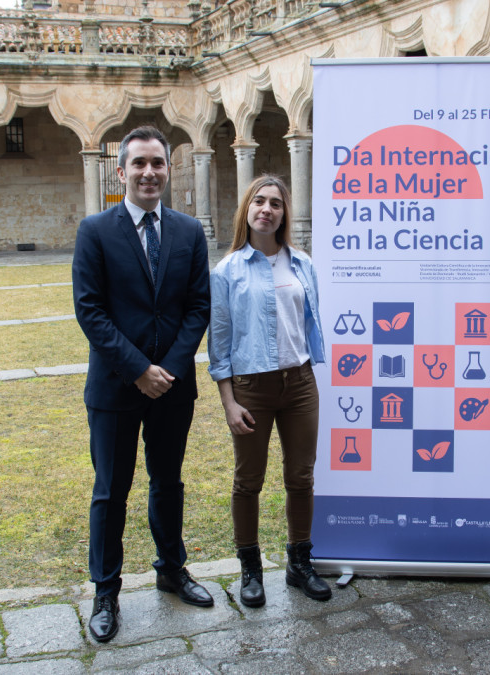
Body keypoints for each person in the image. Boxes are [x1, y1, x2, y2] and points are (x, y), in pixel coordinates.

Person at [72, 125, 212, 642]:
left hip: (172, 386)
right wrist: (137, 369)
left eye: (158, 163)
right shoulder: (95, 231)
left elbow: (198, 306)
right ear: (121, 170)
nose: (149, 172)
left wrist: (166, 370)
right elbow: (90, 310)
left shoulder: (188, 231)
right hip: (114, 387)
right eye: (139, 164)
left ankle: (172, 570)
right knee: (111, 491)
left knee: (168, 482)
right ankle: (105, 590)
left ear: (168, 170)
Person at [208, 174, 331, 607]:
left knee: (301, 477)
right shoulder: (227, 270)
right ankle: (251, 570)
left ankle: (300, 563)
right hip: (251, 388)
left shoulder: (302, 264)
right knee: (249, 481)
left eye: (275, 203)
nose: (267, 209)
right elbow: (219, 344)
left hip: (299, 384)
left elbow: (307, 325)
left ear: (284, 213)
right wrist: (228, 401)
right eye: (259, 201)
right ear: (247, 209)